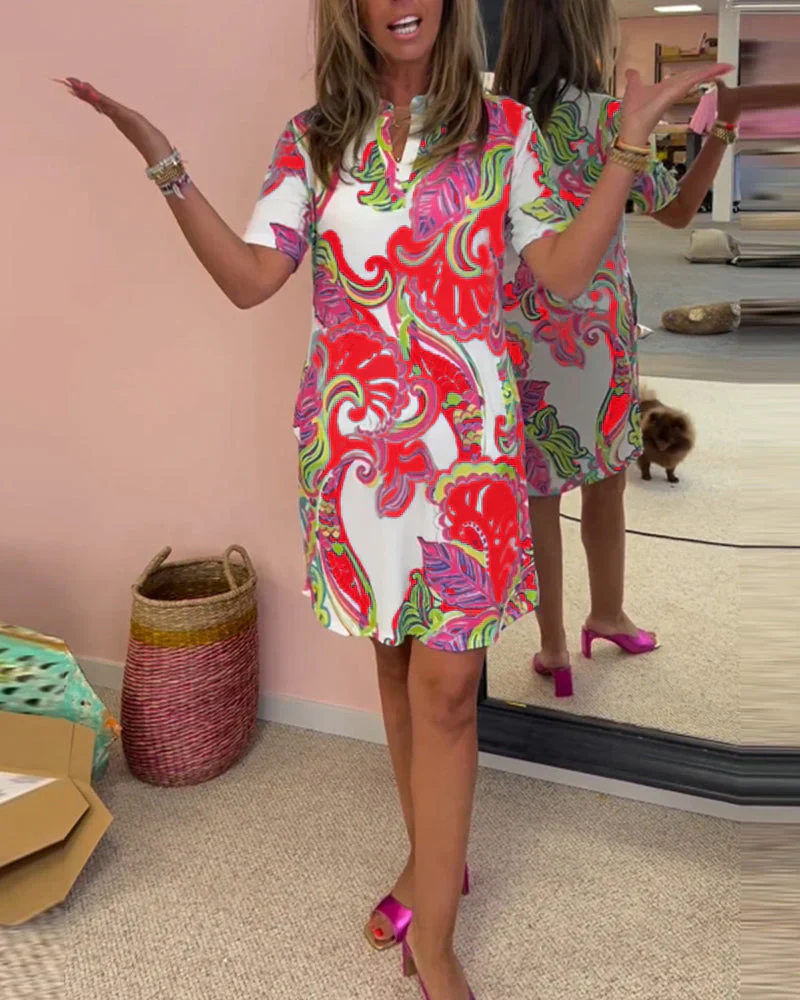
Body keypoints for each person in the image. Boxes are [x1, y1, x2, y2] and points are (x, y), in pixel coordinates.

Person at [61, 0, 727, 995]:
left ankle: (436, 944)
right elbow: (251, 278)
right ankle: (431, 862)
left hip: (470, 457)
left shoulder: (503, 132)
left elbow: (561, 272)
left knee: (448, 692)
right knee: (394, 656)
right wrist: (165, 162)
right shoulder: (316, 139)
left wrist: (629, 148)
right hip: (354, 455)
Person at [494, 0, 743, 699]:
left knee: (539, 490)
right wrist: (721, 135)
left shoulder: (491, 122)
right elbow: (679, 212)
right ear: (588, 32)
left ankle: (552, 647)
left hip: (517, 325)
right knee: (606, 475)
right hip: (598, 331)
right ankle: (608, 613)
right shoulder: (609, 118)